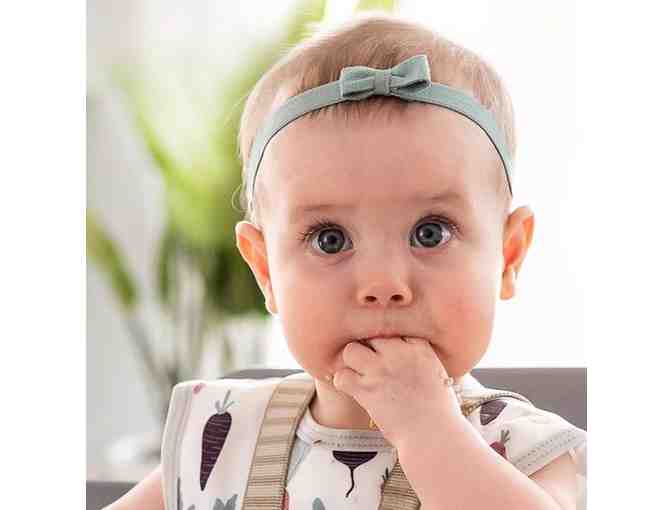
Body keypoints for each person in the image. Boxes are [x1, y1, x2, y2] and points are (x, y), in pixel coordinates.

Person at [106, 12, 587, 510]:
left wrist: (428, 430)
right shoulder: (220, 435)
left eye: (430, 233)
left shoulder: (527, 451)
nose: (383, 282)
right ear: (265, 270)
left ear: (507, 255)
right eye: (330, 240)